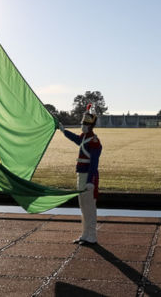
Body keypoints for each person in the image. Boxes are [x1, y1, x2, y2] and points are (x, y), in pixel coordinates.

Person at [58, 104, 102, 245]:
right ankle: (85, 234)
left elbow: (94, 164)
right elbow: (76, 139)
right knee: (83, 207)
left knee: (89, 208)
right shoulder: (84, 138)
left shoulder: (94, 141)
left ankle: (92, 236)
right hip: (81, 175)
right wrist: (64, 131)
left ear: (90, 126)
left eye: (85, 124)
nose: (82, 126)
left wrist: (90, 181)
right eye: (83, 123)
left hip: (89, 177)